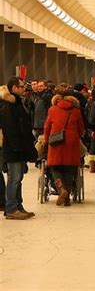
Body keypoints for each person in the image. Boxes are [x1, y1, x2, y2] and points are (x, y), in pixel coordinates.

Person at [0, 79, 38, 220]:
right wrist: (17, 147)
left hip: (20, 148)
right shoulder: (8, 106)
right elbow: (10, 129)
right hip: (14, 149)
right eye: (22, 87)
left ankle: (18, 206)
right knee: (14, 179)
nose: (24, 89)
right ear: (14, 88)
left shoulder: (18, 103)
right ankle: (11, 208)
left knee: (18, 178)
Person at [44, 86, 84, 206]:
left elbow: (47, 128)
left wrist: (47, 141)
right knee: (69, 168)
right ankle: (67, 198)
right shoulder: (76, 111)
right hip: (71, 142)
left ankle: (61, 190)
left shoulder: (52, 110)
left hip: (56, 141)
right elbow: (81, 130)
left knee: (55, 167)